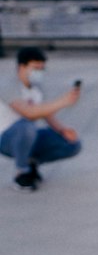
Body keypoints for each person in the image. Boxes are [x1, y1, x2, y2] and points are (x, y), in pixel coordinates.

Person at [0, 48, 82, 190]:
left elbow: (45, 113)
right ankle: (22, 172)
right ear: (22, 67)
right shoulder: (7, 86)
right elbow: (29, 113)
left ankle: (31, 162)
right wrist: (63, 101)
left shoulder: (37, 88)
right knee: (26, 126)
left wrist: (63, 130)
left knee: (72, 144)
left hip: (29, 135)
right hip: (6, 138)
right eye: (35, 68)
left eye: (42, 68)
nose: (39, 72)